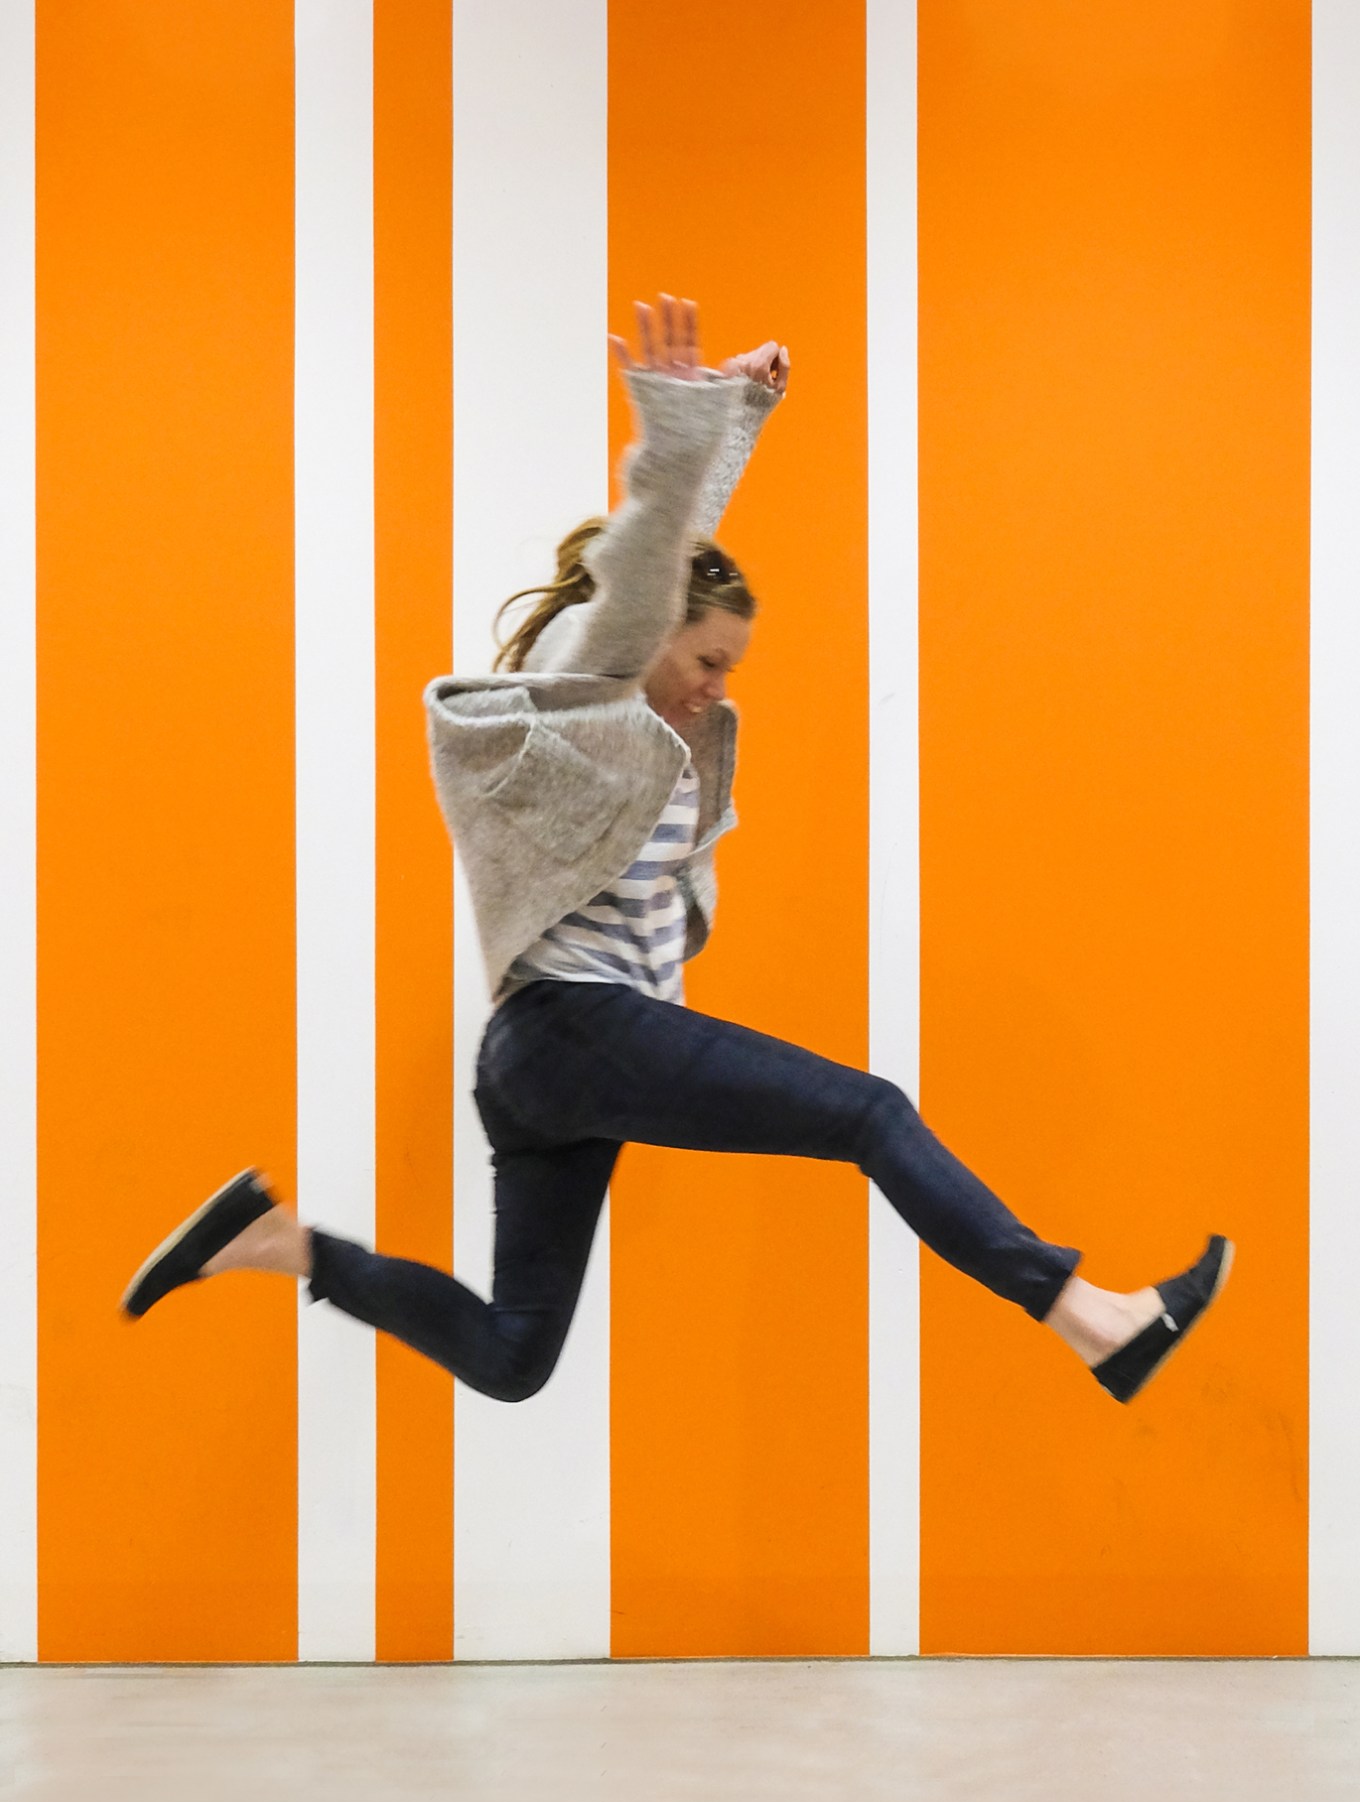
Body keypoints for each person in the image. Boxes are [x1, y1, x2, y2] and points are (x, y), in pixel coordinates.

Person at [122, 295, 1232, 1405]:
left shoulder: (638, 719)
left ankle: (280, 1245)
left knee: (513, 1359)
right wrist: (683, 430)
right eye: (705, 660)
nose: (715, 688)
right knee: (871, 1112)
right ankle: (1097, 1319)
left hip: (538, 1065)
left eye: (728, 669)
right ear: (646, 633)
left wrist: (740, 412)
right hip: (576, 1025)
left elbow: (672, 563)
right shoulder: (585, 687)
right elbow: (650, 558)